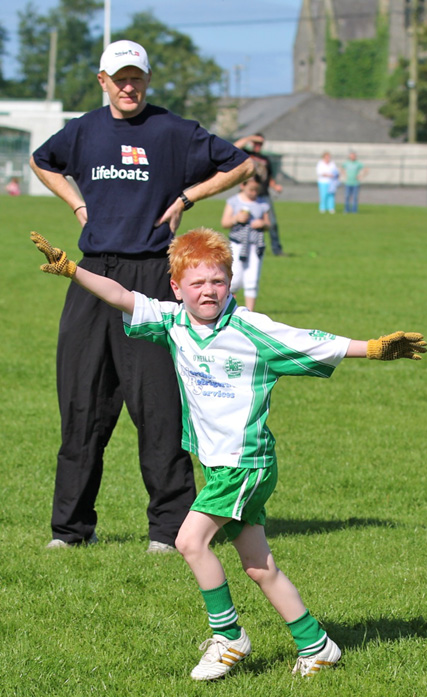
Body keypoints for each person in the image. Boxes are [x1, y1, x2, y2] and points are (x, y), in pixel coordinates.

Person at [31, 228, 427, 680]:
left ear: (231, 283)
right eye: (197, 284)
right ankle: (317, 645)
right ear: (176, 288)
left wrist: (373, 349)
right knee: (259, 567)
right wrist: (71, 270)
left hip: (245, 464)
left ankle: (228, 637)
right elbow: (121, 294)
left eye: (217, 282)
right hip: (222, 464)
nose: (208, 291)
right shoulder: (173, 322)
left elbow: (313, 341)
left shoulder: (251, 330)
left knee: (188, 541)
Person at [29, 39, 254, 552]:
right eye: (119, 77)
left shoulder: (172, 130)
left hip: (153, 276)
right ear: (102, 80)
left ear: (146, 80)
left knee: (159, 406)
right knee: (82, 403)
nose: (128, 86)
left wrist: (187, 197)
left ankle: (169, 530)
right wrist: (78, 207)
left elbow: (240, 163)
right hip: (91, 277)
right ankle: (69, 530)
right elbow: (43, 159)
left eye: (136, 77)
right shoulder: (85, 129)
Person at [221, 175, 270, 311]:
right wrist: (236, 218)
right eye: (251, 190)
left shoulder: (262, 204)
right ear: (242, 186)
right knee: (235, 277)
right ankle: (228, 306)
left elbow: (268, 224)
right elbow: (224, 222)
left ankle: (250, 311)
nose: (254, 193)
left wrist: (262, 224)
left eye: (256, 190)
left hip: (255, 245)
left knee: (252, 279)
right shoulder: (234, 201)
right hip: (237, 244)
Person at [233, 133, 285, 256]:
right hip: (247, 195)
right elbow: (235, 146)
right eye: (256, 143)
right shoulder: (246, 154)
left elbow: (269, 176)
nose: (258, 146)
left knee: (271, 223)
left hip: (263, 194)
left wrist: (275, 186)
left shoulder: (265, 159)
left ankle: (276, 249)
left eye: (260, 144)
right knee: (243, 221)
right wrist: (251, 138)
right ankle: (240, 247)